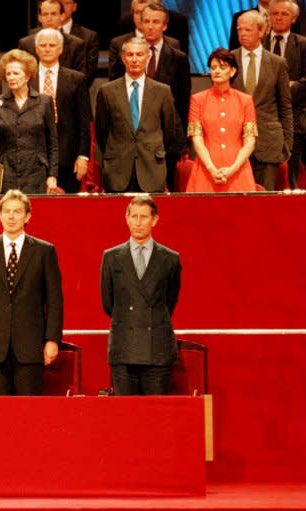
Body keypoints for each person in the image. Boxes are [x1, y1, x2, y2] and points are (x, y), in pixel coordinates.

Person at [0, 189, 63, 395]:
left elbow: (55, 301)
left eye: (17, 211)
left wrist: (52, 340)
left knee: (29, 414)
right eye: (7, 211)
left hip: (31, 348)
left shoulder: (44, 251)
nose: (11, 216)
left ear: (28, 216)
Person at [100, 194, 181, 396]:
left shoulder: (170, 259)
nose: (138, 222)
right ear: (126, 218)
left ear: (154, 220)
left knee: (155, 417)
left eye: (143, 217)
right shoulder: (111, 257)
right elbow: (108, 303)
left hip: (157, 350)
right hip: (123, 348)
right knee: (125, 419)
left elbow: (169, 301)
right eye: (134, 216)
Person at [110, 3, 190, 193]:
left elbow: (182, 101)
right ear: (139, 23)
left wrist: (181, 142)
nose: (150, 26)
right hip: (129, 140)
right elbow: (114, 94)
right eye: (146, 21)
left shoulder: (177, 57)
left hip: (165, 142)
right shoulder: (128, 53)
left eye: (156, 22)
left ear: (165, 26)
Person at [95, 38, 176, 193]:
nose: (134, 59)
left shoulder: (162, 91)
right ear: (123, 58)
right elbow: (102, 131)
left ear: (148, 57)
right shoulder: (107, 91)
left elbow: (169, 131)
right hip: (117, 170)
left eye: (139, 54)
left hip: (151, 168)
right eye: (130, 55)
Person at [0, 49, 58, 194]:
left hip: (36, 171)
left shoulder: (44, 101)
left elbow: (52, 143)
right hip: (8, 171)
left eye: (16, 73)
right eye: (8, 73)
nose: (11, 77)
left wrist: (52, 175)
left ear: (27, 76)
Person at [232, 10, 293, 191]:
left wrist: (287, 145)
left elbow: (285, 106)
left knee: (264, 200)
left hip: (268, 142)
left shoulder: (277, 63)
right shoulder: (228, 60)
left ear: (262, 31)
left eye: (248, 30)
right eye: (239, 30)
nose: (242, 34)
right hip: (236, 143)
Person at [186, 49, 257, 192]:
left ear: (232, 71)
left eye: (222, 67)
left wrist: (233, 168)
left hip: (238, 170)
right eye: (213, 68)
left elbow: (250, 141)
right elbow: (197, 140)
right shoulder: (198, 100)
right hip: (206, 170)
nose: (217, 71)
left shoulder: (245, 100)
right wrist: (211, 168)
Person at [33, 28, 90, 193]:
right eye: (43, 45)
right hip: (34, 158)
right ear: (36, 49)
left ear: (61, 49)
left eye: (52, 45)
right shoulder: (27, 77)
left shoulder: (76, 79)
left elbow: (84, 122)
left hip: (68, 157)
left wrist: (83, 156)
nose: (47, 49)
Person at [263, 0, 306, 189]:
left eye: (284, 14)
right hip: (264, 117)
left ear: (294, 19)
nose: (279, 17)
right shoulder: (259, 42)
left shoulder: (303, 44)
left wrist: (285, 90)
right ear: (269, 17)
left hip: (295, 116)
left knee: (292, 170)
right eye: (275, 14)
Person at [18, 0, 87, 85]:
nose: (49, 18)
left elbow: (79, 79)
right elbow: (21, 75)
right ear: (39, 17)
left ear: (62, 16)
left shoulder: (76, 45)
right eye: (45, 14)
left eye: (53, 14)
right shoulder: (26, 44)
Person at [59, 0, 98, 87]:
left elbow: (89, 72)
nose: (62, 7)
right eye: (59, 3)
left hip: (75, 92)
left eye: (67, 3)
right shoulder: (37, 35)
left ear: (74, 7)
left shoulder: (88, 36)